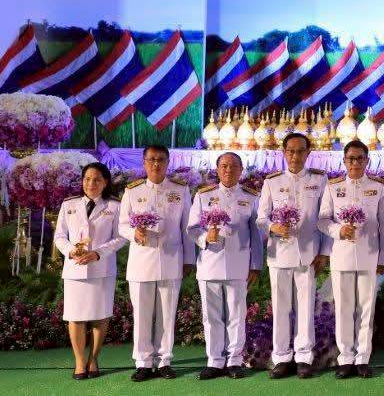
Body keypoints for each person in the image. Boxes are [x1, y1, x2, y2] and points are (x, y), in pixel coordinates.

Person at [256, 132, 330, 378]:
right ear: (284, 152)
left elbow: (326, 217)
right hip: (279, 253)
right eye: (290, 151)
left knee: (306, 306)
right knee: (280, 306)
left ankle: (304, 357)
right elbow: (261, 218)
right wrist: (272, 227)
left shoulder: (319, 179)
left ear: (308, 153)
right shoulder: (272, 181)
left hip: (308, 253)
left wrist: (325, 253)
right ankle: (281, 357)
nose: (295, 156)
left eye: (300, 151)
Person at [118, 145, 194, 382]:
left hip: (171, 259)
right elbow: (122, 225)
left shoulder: (180, 190)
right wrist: (134, 233)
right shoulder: (133, 191)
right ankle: (143, 362)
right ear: (144, 162)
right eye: (151, 159)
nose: (156, 164)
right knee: (141, 314)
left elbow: (187, 227)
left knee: (167, 315)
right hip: (142, 261)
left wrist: (189, 260)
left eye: (161, 159)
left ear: (168, 162)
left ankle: (164, 360)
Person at [318, 140, 384, 379]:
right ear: (344, 161)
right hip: (342, 256)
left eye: (360, 158)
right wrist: (339, 230)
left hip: (370, 255)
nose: (355, 163)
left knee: (366, 309)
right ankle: (345, 358)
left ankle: (362, 358)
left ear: (367, 161)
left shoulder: (378, 187)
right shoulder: (333, 187)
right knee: (344, 308)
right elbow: (323, 220)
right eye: (351, 158)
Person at [187, 152, 262, 379]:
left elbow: (257, 235)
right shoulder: (204, 196)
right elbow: (192, 229)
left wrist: (256, 265)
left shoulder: (251, 197)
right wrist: (205, 237)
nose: (228, 170)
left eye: (233, 166)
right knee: (212, 316)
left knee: (237, 315)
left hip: (239, 265)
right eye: (224, 166)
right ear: (217, 169)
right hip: (210, 264)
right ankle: (215, 361)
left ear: (241, 170)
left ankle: (235, 360)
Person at [55, 161, 127, 380]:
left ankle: (93, 359)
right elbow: (60, 236)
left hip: (101, 268)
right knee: (75, 317)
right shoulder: (69, 204)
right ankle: (79, 362)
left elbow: (121, 237)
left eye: (96, 180)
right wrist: (71, 251)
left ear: (105, 182)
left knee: (100, 316)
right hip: (75, 269)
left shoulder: (114, 206)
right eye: (87, 179)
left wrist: (98, 253)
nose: (91, 183)